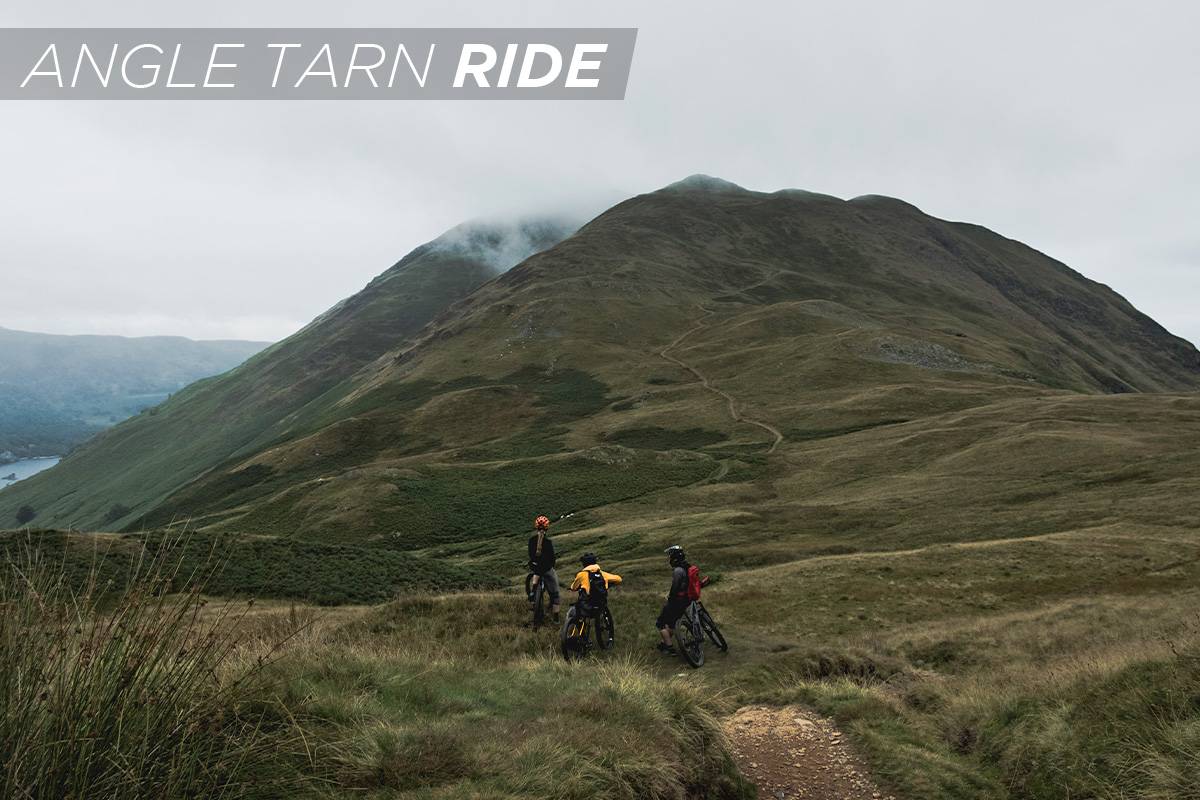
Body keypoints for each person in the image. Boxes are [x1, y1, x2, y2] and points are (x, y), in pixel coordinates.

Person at [655, 545, 691, 655]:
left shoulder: (678, 571)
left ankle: (670, 649)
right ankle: (663, 644)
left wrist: (670, 597)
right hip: (685, 600)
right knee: (671, 624)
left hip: (677, 600)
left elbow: (675, 587)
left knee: (659, 623)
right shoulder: (687, 567)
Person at [527, 515, 560, 623]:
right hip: (546, 569)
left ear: (536, 527)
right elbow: (552, 559)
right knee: (555, 594)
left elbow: (530, 554)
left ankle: (533, 590)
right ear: (547, 528)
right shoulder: (548, 542)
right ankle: (556, 619)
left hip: (536, 567)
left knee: (537, 571)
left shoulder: (531, 540)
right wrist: (551, 566)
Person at [569, 552, 622, 619]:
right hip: (600, 605)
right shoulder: (602, 574)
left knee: (572, 613)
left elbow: (573, 588)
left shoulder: (581, 575)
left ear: (584, 564)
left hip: (586, 605)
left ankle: (570, 628)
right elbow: (619, 579)